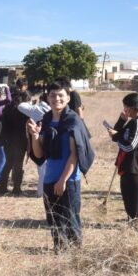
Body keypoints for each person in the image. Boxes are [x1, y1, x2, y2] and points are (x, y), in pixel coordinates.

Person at [27, 81, 86, 251]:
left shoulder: (73, 121)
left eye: (61, 95)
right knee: (54, 219)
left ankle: (76, 253)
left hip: (69, 180)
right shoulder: (45, 120)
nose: (56, 99)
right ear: (47, 98)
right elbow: (39, 154)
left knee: (70, 219)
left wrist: (63, 180)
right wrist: (35, 136)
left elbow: (74, 155)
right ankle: (60, 251)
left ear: (68, 98)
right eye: (53, 95)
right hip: (49, 178)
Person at [107, 93, 138, 220]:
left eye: (126, 106)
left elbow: (130, 146)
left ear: (134, 107)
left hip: (134, 168)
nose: (124, 109)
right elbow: (119, 135)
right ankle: (131, 221)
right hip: (126, 166)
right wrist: (121, 120)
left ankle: (136, 222)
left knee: (133, 201)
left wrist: (117, 137)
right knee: (127, 199)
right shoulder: (131, 122)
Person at [0, 90, 31, 196]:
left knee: (8, 163)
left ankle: (2, 187)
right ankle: (16, 188)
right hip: (20, 140)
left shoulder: (8, 107)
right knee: (18, 165)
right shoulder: (23, 109)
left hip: (7, 140)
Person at [19, 91, 52, 198]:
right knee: (45, 169)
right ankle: (43, 192)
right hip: (50, 143)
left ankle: (41, 193)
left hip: (37, 142)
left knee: (42, 169)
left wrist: (31, 104)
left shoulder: (37, 109)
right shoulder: (55, 111)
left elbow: (21, 106)